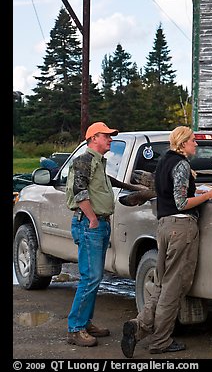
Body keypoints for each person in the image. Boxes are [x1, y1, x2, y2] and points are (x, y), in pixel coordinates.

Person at [121, 126, 212, 357]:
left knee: (161, 283)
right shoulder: (182, 165)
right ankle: (160, 341)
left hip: (164, 226)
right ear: (183, 143)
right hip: (181, 227)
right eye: (193, 141)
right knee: (173, 288)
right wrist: (208, 196)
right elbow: (181, 202)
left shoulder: (164, 160)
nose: (196, 144)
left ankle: (140, 326)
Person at [65, 121, 119, 347]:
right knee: (90, 277)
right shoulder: (84, 160)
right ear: (93, 137)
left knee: (94, 277)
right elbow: (79, 192)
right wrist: (93, 219)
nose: (110, 139)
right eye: (106, 136)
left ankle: (85, 323)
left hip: (98, 224)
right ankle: (75, 328)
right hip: (90, 224)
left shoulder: (98, 163)